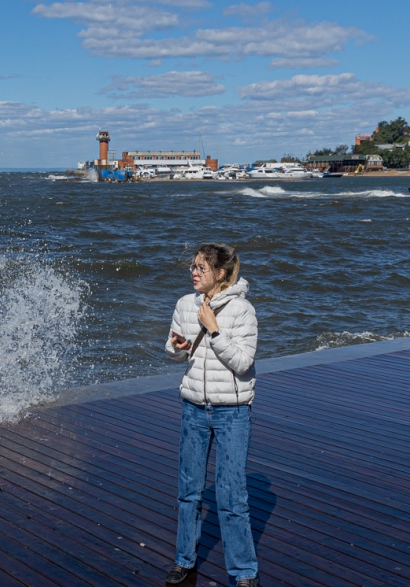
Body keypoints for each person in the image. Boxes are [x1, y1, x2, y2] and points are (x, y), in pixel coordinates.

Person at [163, 243, 259, 587]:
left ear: (219, 274)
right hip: (193, 407)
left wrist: (214, 330)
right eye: (192, 266)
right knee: (188, 490)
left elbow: (243, 363)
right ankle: (183, 560)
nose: (194, 272)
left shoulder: (242, 310)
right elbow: (173, 353)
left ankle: (244, 571)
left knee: (232, 494)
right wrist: (177, 347)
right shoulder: (183, 305)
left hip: (232, 412)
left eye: (201, 268)